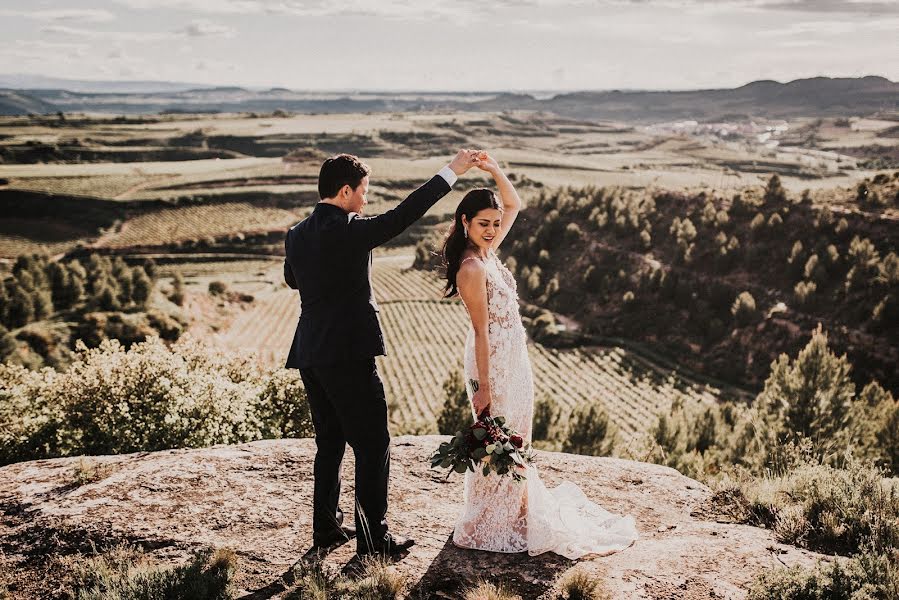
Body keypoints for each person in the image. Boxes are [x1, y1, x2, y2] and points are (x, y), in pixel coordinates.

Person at [284, 149, 479, 559]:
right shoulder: (351, 230)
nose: (365, 200)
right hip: (349, 353)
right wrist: (452, 172)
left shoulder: (296, 233)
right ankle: (374, 543)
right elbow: (405, 214)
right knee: (374, 445)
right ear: (344, 191)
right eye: (363, 192)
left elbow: (291, 279)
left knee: (330, 442)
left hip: (310, 351)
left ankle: (326, 530)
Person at [444, 153, 639, 558]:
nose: (493, 230)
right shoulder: (471, 268)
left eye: (495, 225)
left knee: (516, 434)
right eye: (483, 224)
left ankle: (511, 511)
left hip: (514, 360)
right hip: (491, 362)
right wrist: (482, 388)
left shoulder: (488, 251)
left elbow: (513, 204)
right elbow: (480, 331)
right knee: (498, 435)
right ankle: (488, 518)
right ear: (464, 222)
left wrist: (494, 170)